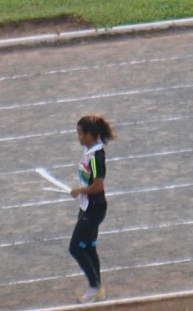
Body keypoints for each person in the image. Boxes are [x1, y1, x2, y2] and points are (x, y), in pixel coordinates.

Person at [66, 115, 115, 302]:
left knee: (76, 248)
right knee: (88, 246)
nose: (78, 138)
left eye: (80, 134)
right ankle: (98, 289)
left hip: (95, 208)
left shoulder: (96, 157)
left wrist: (80, 190)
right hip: (87, 206)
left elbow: (98, 186)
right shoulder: (89, 152)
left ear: (90, 135)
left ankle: (95, 286)